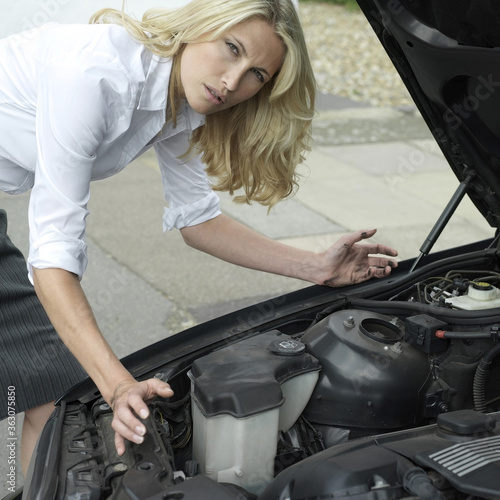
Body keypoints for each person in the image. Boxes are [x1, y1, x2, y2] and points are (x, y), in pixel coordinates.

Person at [0, 0, 398, 474]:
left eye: (257, 75)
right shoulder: (93, 77)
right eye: (231, 48)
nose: (232, 82)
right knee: (54, 392)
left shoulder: (179, 96)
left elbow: (198, 222)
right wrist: (119, 386)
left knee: (49, 394)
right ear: (199, 25)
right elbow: (52, 258)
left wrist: (315, 267)